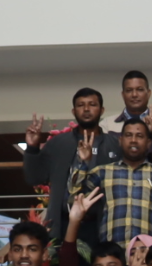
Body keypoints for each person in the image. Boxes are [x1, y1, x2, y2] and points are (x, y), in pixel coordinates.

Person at [26, 88, 120, 240]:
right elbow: (34, 178)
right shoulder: (59, 143)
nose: (86, 109)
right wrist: (32, 147)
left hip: (102, 225)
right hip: (63, 224)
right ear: (73, 111)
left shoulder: (114, 145)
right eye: (81, 105)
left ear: (102, 110)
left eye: (92, 104)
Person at [72, 118, 152, 247]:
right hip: (113, 257)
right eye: (128, 135)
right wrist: (82, 163)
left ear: (148, 143)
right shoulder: (102, 173)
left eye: (139, 136)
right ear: (120, 140)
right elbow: (74, 199)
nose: (133, 140)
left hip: (148, 255)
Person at [102, 70, 152, 144]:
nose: (134, 94)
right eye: (129, 90)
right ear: (123, 95)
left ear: (148, 93)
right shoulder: (107, 125)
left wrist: (149, 134)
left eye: (140, 90)